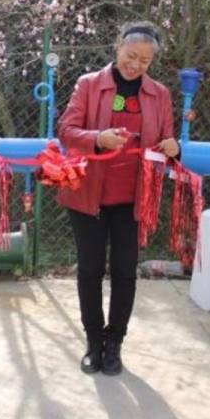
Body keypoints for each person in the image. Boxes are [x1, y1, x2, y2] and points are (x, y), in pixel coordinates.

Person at [57, 21, 179, 376]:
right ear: (117, 47)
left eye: (145, 60)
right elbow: (66, 130)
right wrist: (98, 138)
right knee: (90, 271)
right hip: (88, 195)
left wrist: (175, 148)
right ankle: (93, 343)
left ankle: (115, 345)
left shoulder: (160, 94)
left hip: (134, 198)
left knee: (125, 273)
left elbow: (168, 142)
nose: (136, 65)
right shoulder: (89, 85)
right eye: (131, 56)